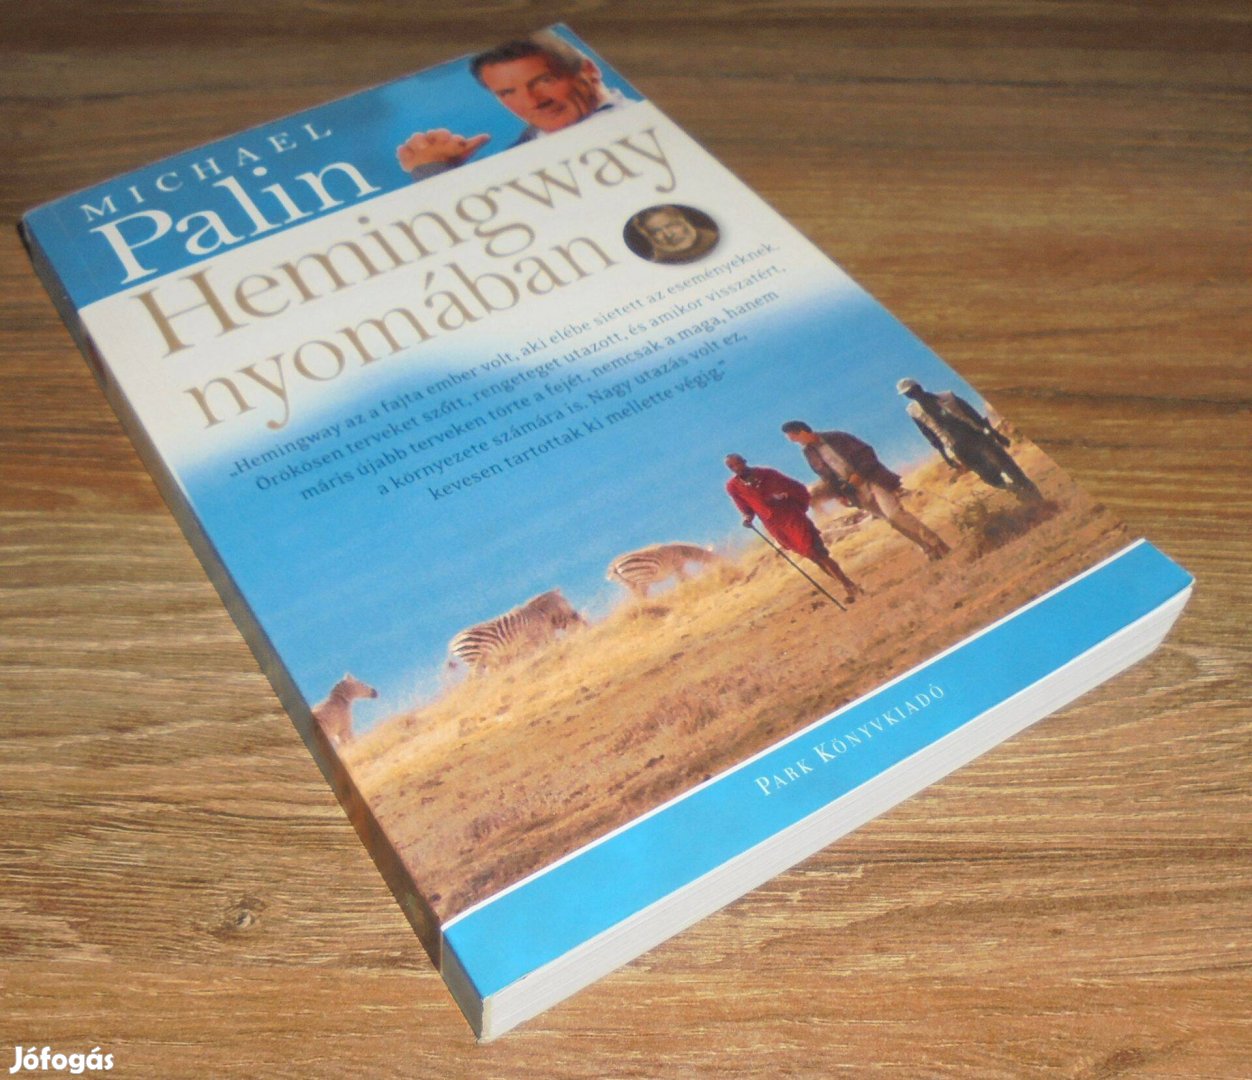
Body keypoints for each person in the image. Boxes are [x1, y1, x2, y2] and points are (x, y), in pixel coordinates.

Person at [396, 32, 632, 179]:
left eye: (544, 80)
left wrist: (433, 171)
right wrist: (440, 169)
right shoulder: (517, 154)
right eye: (508, 92)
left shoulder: (626, 125)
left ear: (590, 70)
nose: (534, 102)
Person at [780, 421, 951, 561]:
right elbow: (826, 477)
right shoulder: (809, 453)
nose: (794, 441)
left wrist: (858, 475)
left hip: (873, 479)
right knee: (892, 521)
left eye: (794, 437)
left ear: (802, 431)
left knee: (895, 514)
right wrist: (839, 495)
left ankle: (936, 543)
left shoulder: (837, 437)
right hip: (855, 492)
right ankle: (928, 549)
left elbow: (867, 453)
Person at [724, 454, 862, 602]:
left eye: (738, 463)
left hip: (792, 517)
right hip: (776, 526)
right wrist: (747, 519)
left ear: (744, 461)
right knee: (813, 557)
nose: (737, 468)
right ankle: (849, 585)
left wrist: (784, 496)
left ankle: (848, 586)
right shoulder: (733, 487)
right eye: (732, 466)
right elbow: (745, 509)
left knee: (817, 551)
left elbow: (796, 488)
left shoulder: (767, 474)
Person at [897, 378, 1042, 501]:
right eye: (908, 394)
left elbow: (973, 414)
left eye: (912, 391)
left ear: (919, 387)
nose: (912, 395)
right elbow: (930, 435)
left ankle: (1032, 492)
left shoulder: (947, 397)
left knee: (1004, 463)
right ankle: (1015, 489)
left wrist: (994, 433)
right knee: (987, 475)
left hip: (974, 435)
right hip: (957, 446)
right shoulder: (914, 411)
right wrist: (946, 456)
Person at [630, 205, 719, 264]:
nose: (668, 235)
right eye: (656, 231)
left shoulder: (714, 239)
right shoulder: (659, 265)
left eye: (671, 225)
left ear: (684, 221)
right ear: (649, 236)